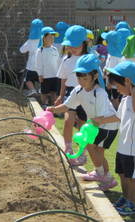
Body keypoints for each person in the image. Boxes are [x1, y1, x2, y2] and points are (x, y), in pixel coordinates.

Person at [48, 54, 120, 191]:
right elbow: (68, 105)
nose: (81, 81)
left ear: (94, 76)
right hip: (96, 124)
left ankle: (106, 178)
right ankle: (102, 174)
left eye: (85, 78)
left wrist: (87, 130)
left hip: (108, 125)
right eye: (79, 77)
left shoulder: (99, 93)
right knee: (96, 151)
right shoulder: (78, 90)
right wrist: (53, 109)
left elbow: (100, 118)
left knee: (94, 149)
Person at [106, 61, 135, 215]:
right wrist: (100, 120)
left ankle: (134, 203)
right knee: (122, 174)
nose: (117, 89)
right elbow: (118, 118)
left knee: (132, 178)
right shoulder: (125, 100)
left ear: (128, 81)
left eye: (118, 85)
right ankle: (126, 198)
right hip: (123, 147)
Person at [55, 25, 89, 166]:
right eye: (70, 45)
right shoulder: (66, 60)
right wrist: (61, 95)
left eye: (76, 45)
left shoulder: (89, 59)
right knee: (68, 121)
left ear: (84, 44)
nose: (73, 49)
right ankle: (67, 148)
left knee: (82, 126)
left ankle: (82, 151)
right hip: (70, 93)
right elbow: (63, 79)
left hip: (86, 94)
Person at [35, 27, 60, 107]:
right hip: (45, 76)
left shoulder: (55, 49)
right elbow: (38, 63)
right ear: (44, 38)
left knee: (54, 92)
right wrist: (40, 74)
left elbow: (58, 62)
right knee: (44, 92)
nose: (52, 39)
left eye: (53, 37)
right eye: (50, 37)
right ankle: (44, 104)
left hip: (55, 75)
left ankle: (54, 106)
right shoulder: (40, 50)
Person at [19, 19, 44, 96]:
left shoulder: (31, 40)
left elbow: (22, 50)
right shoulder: (45, 39)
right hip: (42, 65)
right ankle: (41, 91)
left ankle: (33, 90)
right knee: (42, 80)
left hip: (31, 66)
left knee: (28, 79)